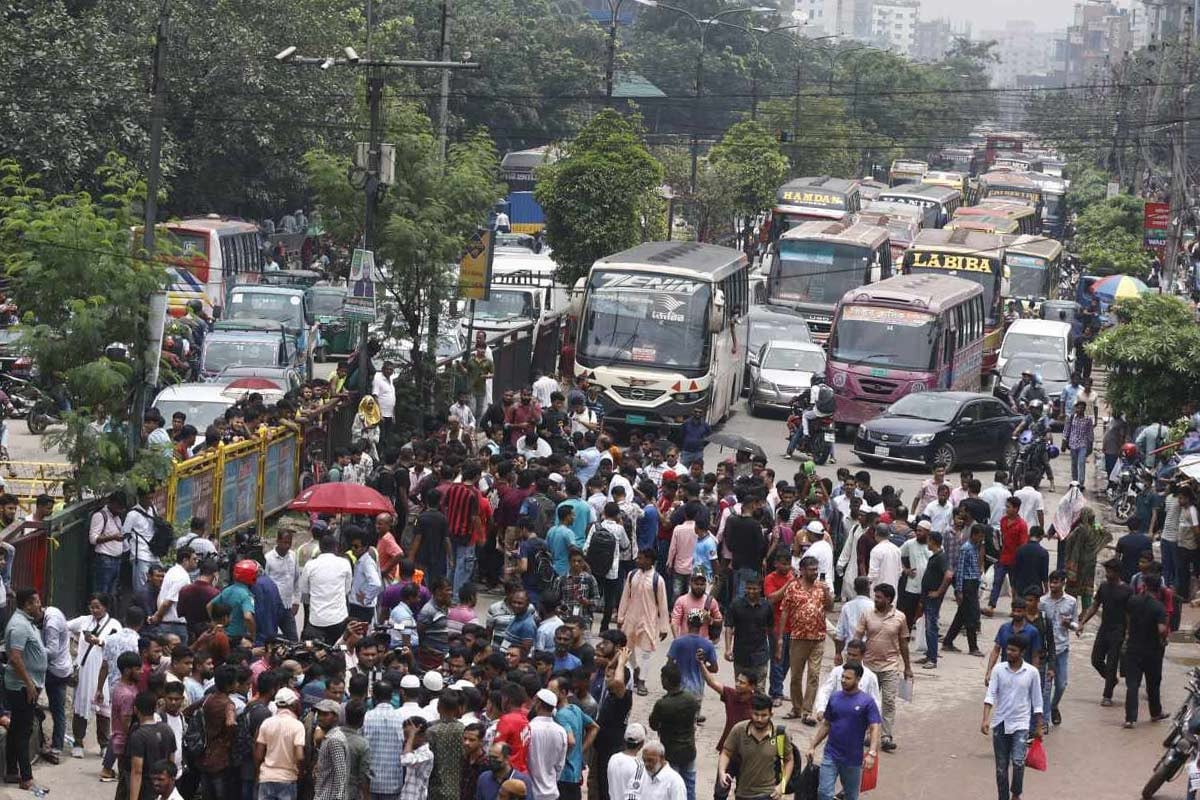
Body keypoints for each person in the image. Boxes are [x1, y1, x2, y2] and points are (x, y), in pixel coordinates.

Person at [806, 662, 881, 800]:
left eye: (848, 678)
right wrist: (812, 746)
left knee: (851, 796)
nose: (843, 680)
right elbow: (826, 725)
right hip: (831, 755)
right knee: (824, 793)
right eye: (842, 677)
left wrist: (872, 753)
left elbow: (874, 727)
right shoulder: (834, 698)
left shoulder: (867, 702)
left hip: (853, 759)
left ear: (858, 679)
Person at [981, 633, 1044, 800]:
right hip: (1000, 723)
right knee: (1001, 767)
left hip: (1021, 724)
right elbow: (990, 695)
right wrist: (985, 719)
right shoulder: (998, 670)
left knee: (1017, 762)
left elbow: (1037, 702)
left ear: (1022, 652)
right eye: (1008, 649)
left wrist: (1038, 726)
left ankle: (1016, 793)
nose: (1009, 652)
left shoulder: (1032, 673)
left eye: (1013, 650)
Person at [854, 583, 911, 753]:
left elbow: (903, 643)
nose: (875, 600)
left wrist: (907, 667)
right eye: (875, 596)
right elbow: (858, 637)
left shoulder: (900, 617)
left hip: (891, 666)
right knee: (867, 702)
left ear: (888, 599)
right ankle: (866, 733)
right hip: (869, 666)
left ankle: (886, 736)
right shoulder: (867, 614)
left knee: (888, 701)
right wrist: (853, 661)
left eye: (879, 597)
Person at [777, 555, 832, 724]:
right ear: (802, 570)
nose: (815, 573)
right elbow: (785, 611)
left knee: (814, 675)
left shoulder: (821, 587)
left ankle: (807, 711)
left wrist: (827, 593)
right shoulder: (793, 588)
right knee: (796, 676)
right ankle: (796, 707)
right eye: (811, 570)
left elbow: (829, 607)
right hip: (798, 637)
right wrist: (780, 638)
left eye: (816, 569)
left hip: (818, 637)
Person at [68, 592, 122, 759]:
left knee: (103, 707)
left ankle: (104, 744)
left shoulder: (114, 624)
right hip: (85, 671)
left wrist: (100, 642)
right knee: (80, 705)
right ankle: (78, 742)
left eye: (98, 607)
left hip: (102, 672)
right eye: (92, 607)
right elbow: (65, 625)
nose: (94, 610)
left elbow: (116, 643)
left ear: (105, 607)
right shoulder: (84, 621)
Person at [4, 588, 45, 789]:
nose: (40, 605)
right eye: (37, 602)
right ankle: (26, 778)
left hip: (25, 685)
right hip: (22, 687)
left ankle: (12, 771)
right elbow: (15, 657)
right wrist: (29, 684)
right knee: (23, 731)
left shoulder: (26, 622)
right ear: (27, 604)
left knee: (15, 730)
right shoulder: (19, 625)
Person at [717, 694, 793, 800]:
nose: (759, 719)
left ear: (771, 714)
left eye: (764, 715)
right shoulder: (739, 730)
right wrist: (722, 772)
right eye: (756, 714)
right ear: (750, 712)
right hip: (743, 793)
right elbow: (726, 752)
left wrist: (782, 786)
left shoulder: (780, 734)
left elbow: (789, 760)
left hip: (768, 793)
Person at [1078, 559, 1132, 707]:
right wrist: (1082, 623)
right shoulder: (1103, 587)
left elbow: (1129, 614)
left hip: (1118, 630)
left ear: (1118, 573)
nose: (1108, 574)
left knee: (1113, 662)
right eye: (1107, 571)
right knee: (1096, 659)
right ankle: (1111, 679)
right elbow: (1095, 606)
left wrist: (1128, 633)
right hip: (1104, 628)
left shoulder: (1127, 590)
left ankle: (1107, 695)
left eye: (1111, 571)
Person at [617, 549, 670, 695]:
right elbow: (625, 597)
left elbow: (663, 605)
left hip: (648, 621)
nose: (637, 560)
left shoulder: (658, 580)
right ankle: (635, 669)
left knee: (646, 652)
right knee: (627, 649)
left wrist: (664, 627)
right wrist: (620, 617)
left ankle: (642, 681)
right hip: (630, 618)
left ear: (649, 560)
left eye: (640, 558)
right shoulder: (632, 575)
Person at [1123, 574, 1170, 728]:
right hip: (1152, 651)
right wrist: (1164, 638)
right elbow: (1162, 629)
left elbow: (1128, 620)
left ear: (1144, 586)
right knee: (1153, 684)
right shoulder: (1159, 607)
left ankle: (1130, 719)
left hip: (1133, 648)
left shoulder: (1133, 601)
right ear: (1159, 589)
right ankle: (1155, 713)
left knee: (1132, 685)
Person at [648, 663, 700, 800]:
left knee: (671, 787)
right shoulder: (691, 699)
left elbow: (653, 724)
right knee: (689, 786)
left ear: (666, 680)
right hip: (689, 749)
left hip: (670, 751)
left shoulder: (662, 704)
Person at [1039, 570, 1079, 727]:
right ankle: (1045, 720)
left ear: (1064, 582)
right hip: (1047, 649)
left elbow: (1077, 625)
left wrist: (1069, 624)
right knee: (1046, 686)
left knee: (1061, 684)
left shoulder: (1071, 602)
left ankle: (1054, 706)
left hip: (1061, 649)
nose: (1053, 585)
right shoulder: (1042, 601)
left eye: (1057, 582)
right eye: (1051, 582)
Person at [254, 686, 306, 800]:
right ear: (293, 704)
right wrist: (301, 773)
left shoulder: (266, 723)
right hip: (287, 779)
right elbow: (300, 756)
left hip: (266, 778)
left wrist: (258, 774)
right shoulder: (297, 725)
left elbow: (258, 755)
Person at [297, 535, 353, 643]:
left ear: (320, 548)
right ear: (336, 547)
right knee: (337, 650)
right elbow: (347, 589)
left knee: (316, 653)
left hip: (316, 619)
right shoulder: (344, 563)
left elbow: (304, 589)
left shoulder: (310, 565)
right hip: (339, 617)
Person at [725, 577, 774, 694]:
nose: (751, 591)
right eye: (748, 588)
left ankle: (757, 712)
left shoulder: (767, 606)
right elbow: (729, 627)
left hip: (760, 654)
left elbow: (771, 629)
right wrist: (727, 649)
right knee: (741, 689)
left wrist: (776, 649)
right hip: (741, 654)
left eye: (754, 589)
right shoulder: (736, 605)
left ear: (760, 589)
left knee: (759, 690)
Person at [125, 691, 177, 800]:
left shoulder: (138, 736)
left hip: (146, 791)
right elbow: (171, 763)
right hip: (163, 791)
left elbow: (137, 771)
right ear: (155, 708)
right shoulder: (167, 729)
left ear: (135, 709)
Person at [986, 496, 1029, 616]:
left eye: (1009, 507)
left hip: (1015, 560)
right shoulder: (1003, 520)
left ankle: (1015, 608)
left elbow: (1023, 545)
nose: (1006, 509)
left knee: (1015, 585)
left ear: (1016, 509)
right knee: (997, 581)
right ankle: (991, 606)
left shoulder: (1022, 525)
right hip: (1003, 557)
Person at [525, 688, 567, 800]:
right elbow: (560, 765)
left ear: (538, 704)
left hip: (532, 793)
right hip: (552, 793)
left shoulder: (529, 728)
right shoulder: (561, 731)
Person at [920, 531, 953, 670]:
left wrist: (939, 592)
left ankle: (932, 658)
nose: (927, 543)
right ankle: (929, 654)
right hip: (928, 597)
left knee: (931, 628)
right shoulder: (936, 556)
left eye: (928, 541)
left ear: (933, 541)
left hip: (933, 598)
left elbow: (948, 575)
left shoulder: (941, 557)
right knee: (929, 626)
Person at [264, 531, 300, 641]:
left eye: (289, 543)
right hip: (272, 606)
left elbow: (297, 580)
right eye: (284, 542)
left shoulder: (293, 556)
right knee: (270, 638)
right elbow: (264, 582)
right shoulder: (268, 558)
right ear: (278, 541)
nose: (287, 546)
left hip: (288, 606)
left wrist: (296, 601)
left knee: (293, 639)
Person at [90, 493, 127, 597]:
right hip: (105, 560)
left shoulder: (117, 518)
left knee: (111, 593)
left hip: (117, 560)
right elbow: (93, 539)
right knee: (102, 593)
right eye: (119, 507)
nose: (120, 511)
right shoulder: (100, 516)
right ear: (112, 504)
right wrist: (113, 537)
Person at [1063, 400, 1094, 486]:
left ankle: (1081, 483)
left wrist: (1090, 445)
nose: (1080, 409)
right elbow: (1066, 430)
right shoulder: (1071, 417)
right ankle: (1074, 481)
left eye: (1082, 408)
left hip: (1083, 444)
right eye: (1078, 407)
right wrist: (1064, 441)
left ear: (1084, 409)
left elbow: (1090, 433)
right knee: (1074, 464)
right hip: (1073, 444)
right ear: (1076, 408)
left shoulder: (1088, 420)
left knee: (1081, 463)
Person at [371, 361, 396, 438]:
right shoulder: (378, 380)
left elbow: (392, 399)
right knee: (380, 437)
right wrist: (379, 414)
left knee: (388, 437)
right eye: (387, 369)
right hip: (381, 415)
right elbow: (375, 396)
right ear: (382, 369)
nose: (389, 371)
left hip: (389, 415)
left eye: (391, 369)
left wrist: (393, 415)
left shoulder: (391, 381)